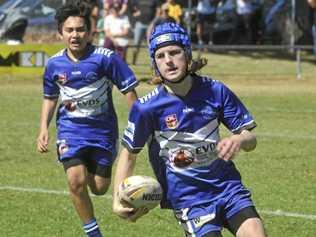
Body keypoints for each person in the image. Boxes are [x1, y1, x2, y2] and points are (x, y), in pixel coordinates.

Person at [112, 22, 267, 237]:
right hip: (189, 200)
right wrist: (117, 198)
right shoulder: (146, 107)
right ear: (155, 63)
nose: (168, 60)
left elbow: (250, 137)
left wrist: (239, 140)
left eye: (175, 52)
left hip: (228, 188)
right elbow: (128, 154)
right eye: (161, 55)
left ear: (187, 54)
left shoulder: (215, 90)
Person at [36, 2, 138, 237]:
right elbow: (50, 98)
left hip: (103, 132)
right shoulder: (53, 64)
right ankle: (93, 233)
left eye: (80, 29)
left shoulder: (106, 59)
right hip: (70, 131)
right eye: (69, 30)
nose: (75, 35)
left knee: (100, 188)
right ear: (60, 33)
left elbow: (130, 93)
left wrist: (139, 125)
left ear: (90, 31)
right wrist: (43, 128)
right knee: (75, 180)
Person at [129, 0, 162, 65]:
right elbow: (131, 7)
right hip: (139, 24)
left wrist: (153, 22)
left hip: (150, 24)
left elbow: (159, 12)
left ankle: (152, 63)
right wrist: (135, 13)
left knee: (150, 44)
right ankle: (133, 62)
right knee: (136, 44)